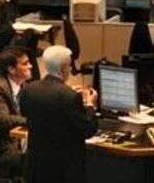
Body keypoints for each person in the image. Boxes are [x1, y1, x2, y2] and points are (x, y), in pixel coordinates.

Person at [20, 45, 98, 183]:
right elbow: (88, 130)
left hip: (36, 168)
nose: (71, 68)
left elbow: (26, 113)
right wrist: (90, 105)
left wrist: (69, 92)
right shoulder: (70, 96)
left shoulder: (29, 89)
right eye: (69, 65)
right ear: (63, 68)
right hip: (63, 171)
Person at [0, 46, 32, 178]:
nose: (30, 66)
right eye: (25, 63)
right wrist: (30, 120)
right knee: (43, 160)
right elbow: (3, 120)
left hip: (16, 142)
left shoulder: (22, 85)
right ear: (11, 69)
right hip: (2, 150)